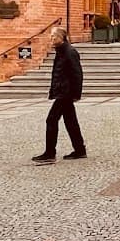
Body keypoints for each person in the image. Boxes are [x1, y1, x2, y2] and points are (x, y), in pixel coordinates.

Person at [34, 27, 86, 164]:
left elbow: (77, 74)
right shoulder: (61, 51)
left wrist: (76, 93)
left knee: (51, 120)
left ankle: (50, 153)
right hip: (62, 92)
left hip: (66, 93)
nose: (51, 39)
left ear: (61, 37)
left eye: (53, 36)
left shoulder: (69, 52)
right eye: (50, 36)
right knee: (71, 121)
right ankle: (80, 150)